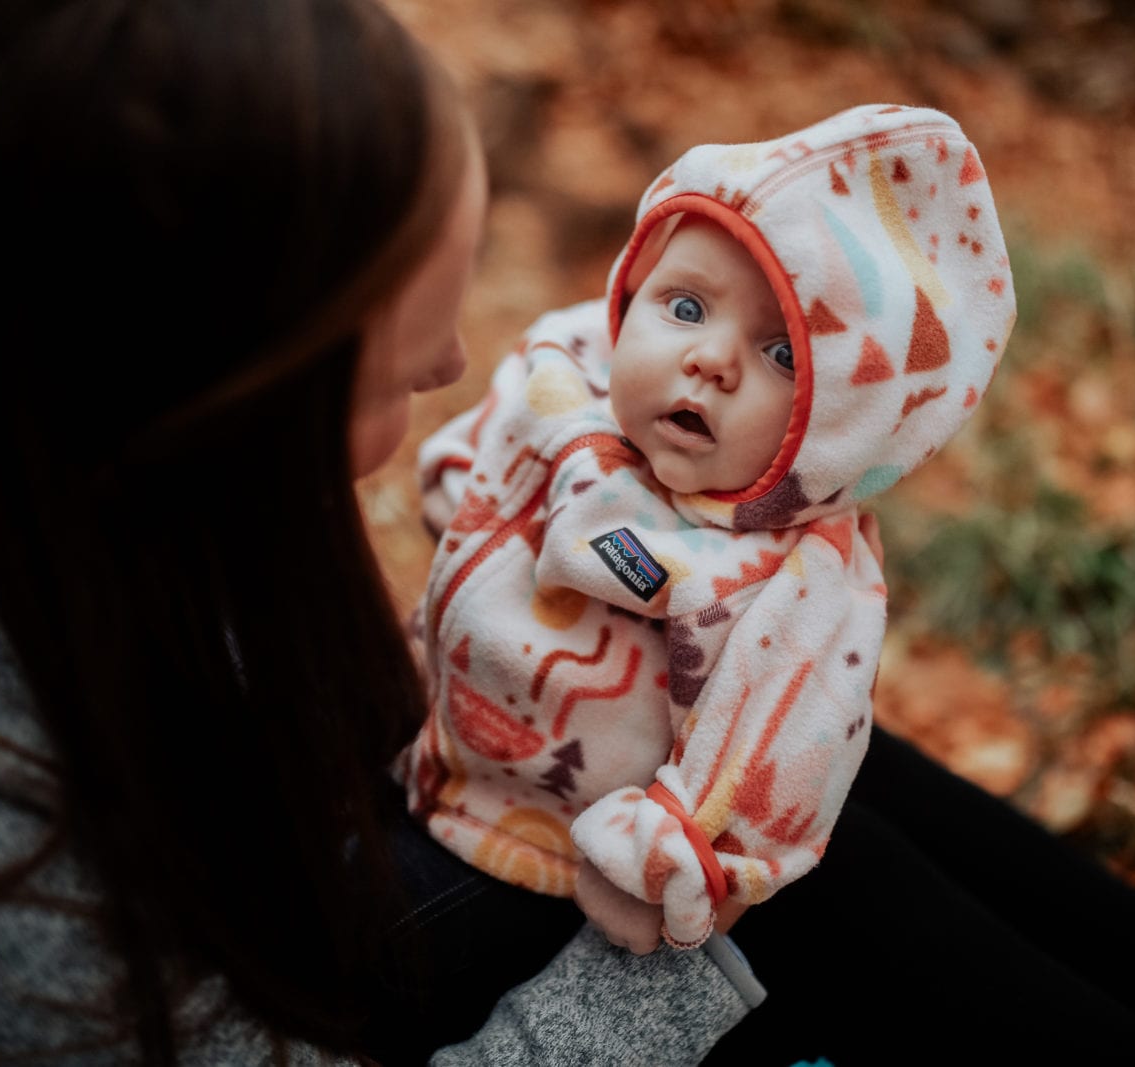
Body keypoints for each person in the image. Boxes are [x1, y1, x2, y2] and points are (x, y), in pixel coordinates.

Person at [0, 0, 764, 1063]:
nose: (453, 370)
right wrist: (654, 979)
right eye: (397, 370)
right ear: (210, 423)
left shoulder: (28, 294)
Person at [400, 103, 1014, 953]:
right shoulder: (569, 370)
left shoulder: (792, 581)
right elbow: (492, 438)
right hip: (429, 737)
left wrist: (686, 856)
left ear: (839, 428)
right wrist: (460, 491)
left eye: (782, 355)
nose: (711, 358)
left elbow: (779, 757)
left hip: (554, 869)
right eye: (685, 307)